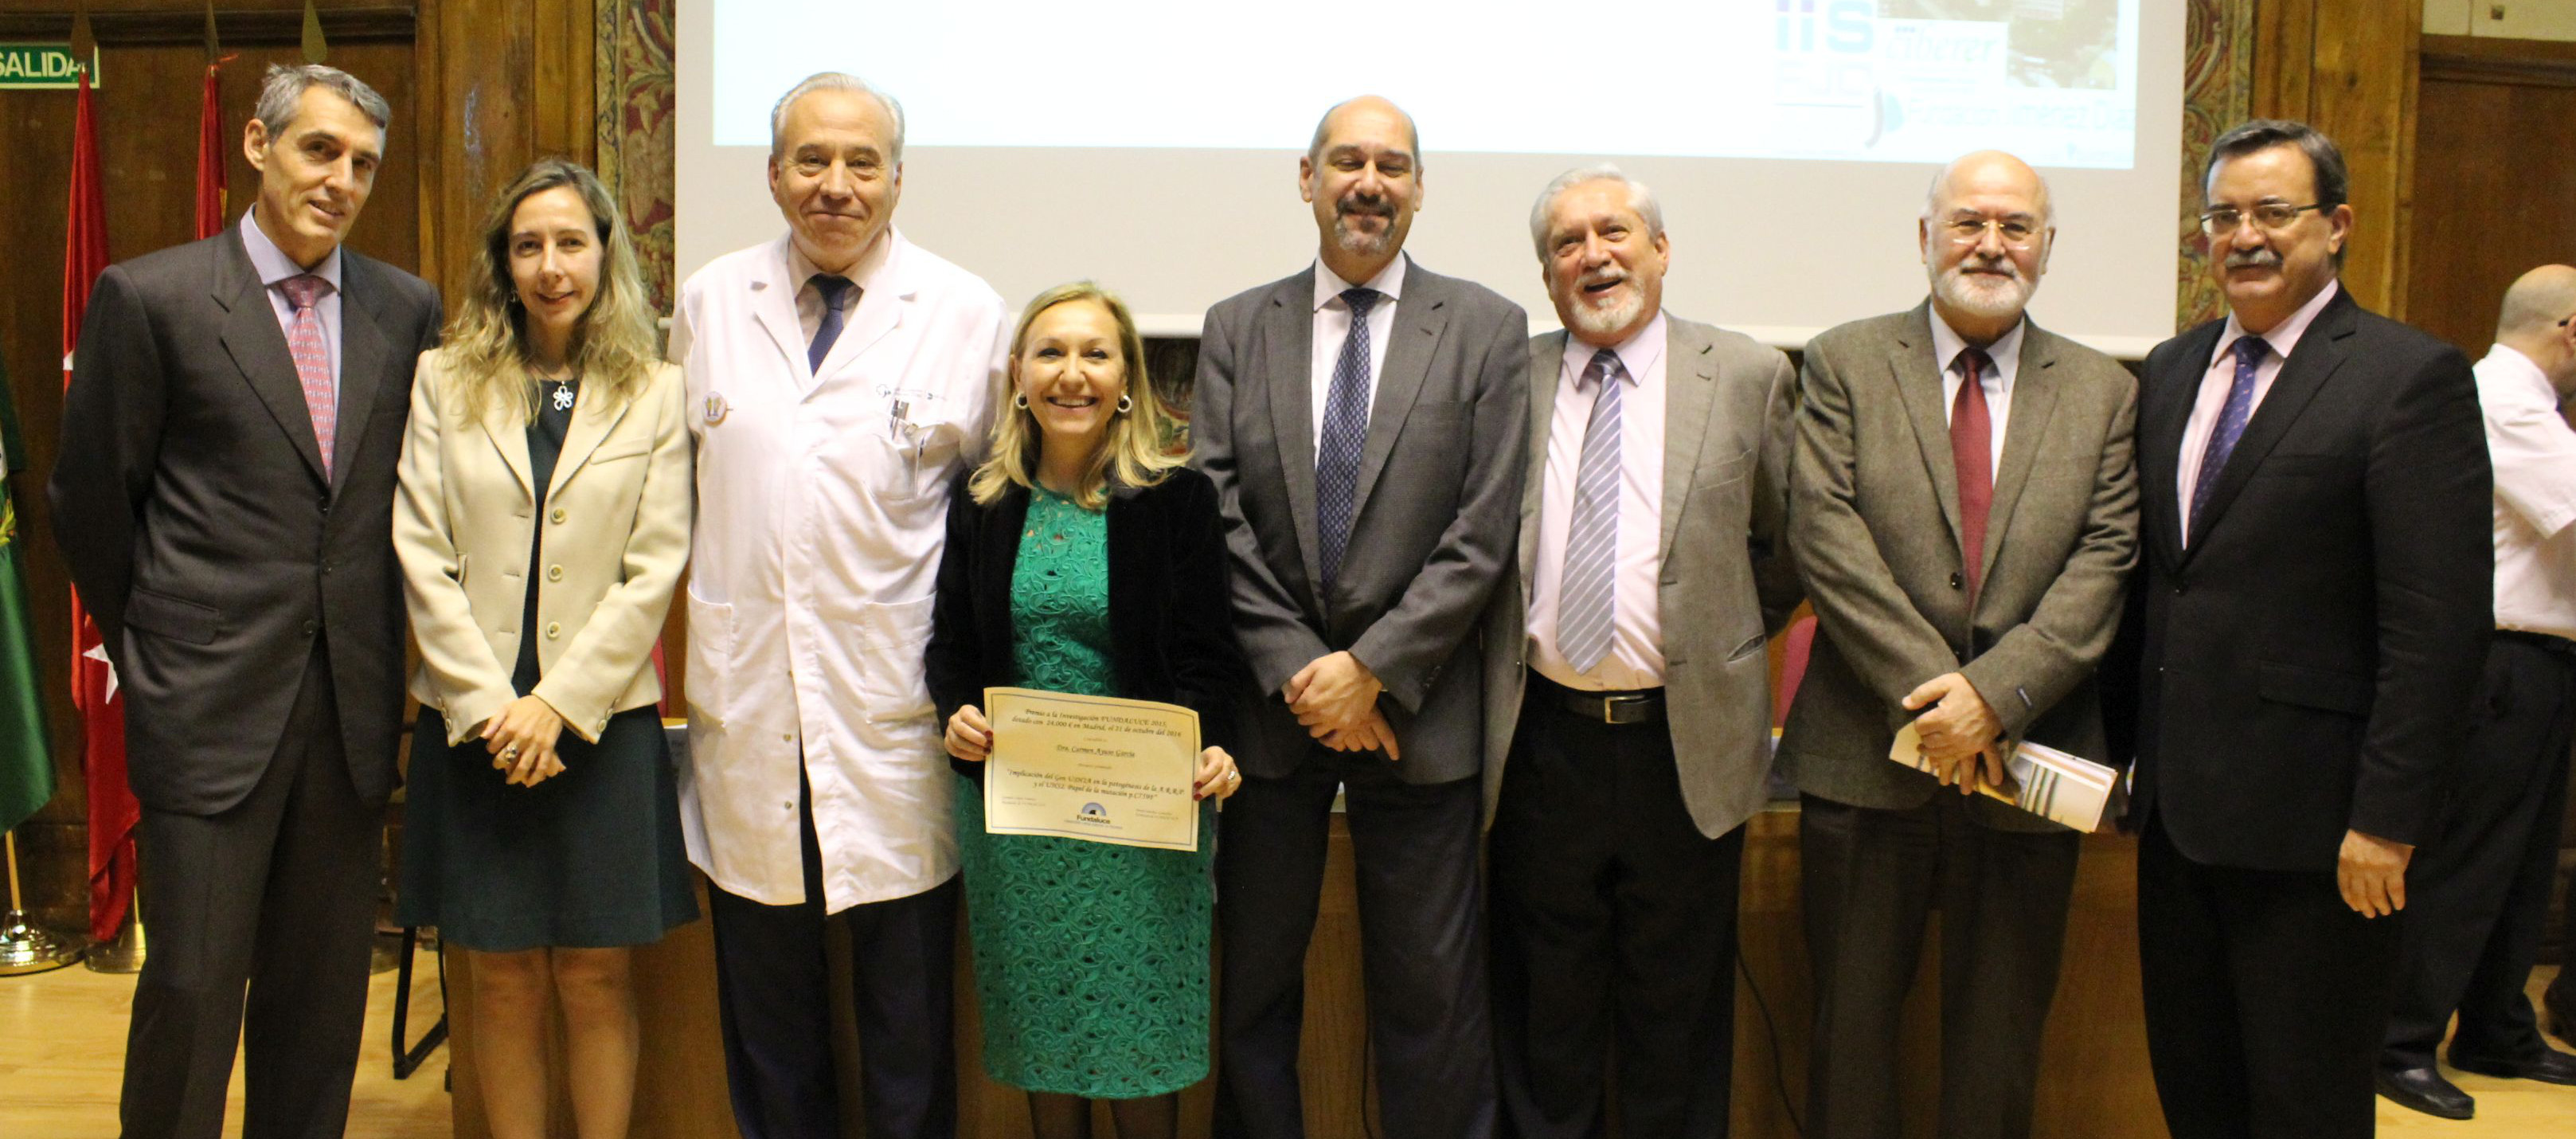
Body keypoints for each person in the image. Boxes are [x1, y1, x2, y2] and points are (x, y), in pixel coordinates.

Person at [46, 64, 443, 1139]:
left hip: (349, 711)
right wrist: (163, 639)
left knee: (320, 1006)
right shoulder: (153, 296)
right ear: (260, 148)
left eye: (363, 163)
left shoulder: (407, 310)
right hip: (208, 705)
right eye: (321, 150)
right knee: (191, 992)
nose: (342, 180)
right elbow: (89, 501)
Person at [2115, 119, 2490, 1139]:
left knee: (2304, 1107)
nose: (2244, 236)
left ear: (2337, 226)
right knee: (2197, 1094)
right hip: (2179, 827)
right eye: (2222, 215)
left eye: (2273, 213)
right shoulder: (2169, 371)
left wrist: (2388, 821)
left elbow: (2437, 627)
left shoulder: (2406, 377)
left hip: (2321, 840)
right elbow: (2160, 585)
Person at [668, 71, 1008, 1139]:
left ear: (897, 180)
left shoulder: (965, 311)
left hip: (893, 715)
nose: (835, 185)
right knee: (768, 1018)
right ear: (772, 174)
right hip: (749, 705)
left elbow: (995, 523)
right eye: (810, 161)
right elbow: (674, 497)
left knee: (906, 1020)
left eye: (861, 163)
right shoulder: (710, 301)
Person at [1780, 150, 2139, 1139]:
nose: (1991, 244)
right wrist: (1941, 695)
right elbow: (1825, 536)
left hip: (2028, 762)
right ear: (1925, 236)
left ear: (2048, 247)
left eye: (2015, 226)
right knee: (1847, 1041)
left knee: (1998, 1048)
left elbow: (2105, 561)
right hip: (1863, 759)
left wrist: (1996, 695)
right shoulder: (1845, 360)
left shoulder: (2105, 390)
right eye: (1969, 221)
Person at [1190, 95, 1527, 1139]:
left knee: (1430, 998)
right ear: (1306, 177)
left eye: (1391, 165)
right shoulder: (1237, 325)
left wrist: (1372, 668)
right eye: (1347, 162)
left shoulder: (1484, 327)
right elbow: (1214, 509)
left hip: (1418, 716)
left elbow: (1484, 526)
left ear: (1418, 188)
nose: (1367, 183)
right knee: (1250, 988)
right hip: (1273, 721)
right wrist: (1307, 671)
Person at [1477, 165, 1799, 1139]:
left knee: (1678, 1007)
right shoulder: (1508, 376)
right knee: (1545, 1006)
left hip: (1683, 740)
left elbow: (1787, 548)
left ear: (1660, 250)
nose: (1593, 256)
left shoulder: (1746, 374)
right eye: (1566, 243)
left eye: (1613, 232)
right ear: (1545, 274)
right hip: (1540, 738)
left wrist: (1718, 640)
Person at [390, 157, 696, 1139]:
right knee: (503, 971)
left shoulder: (655, 390)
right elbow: (419, 548)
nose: (551, 265)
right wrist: (490, 705)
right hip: (472, 721)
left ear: (607, 255)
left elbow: (655, 566)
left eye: (571, 242)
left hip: (601, 722)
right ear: (502, 263)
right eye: (528, 245)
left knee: (597, 969)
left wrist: (559, 703)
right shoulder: (444, 379)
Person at [927, 281, 1250, 1139]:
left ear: (1128, 380)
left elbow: (1210, 658)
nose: (1073, 374)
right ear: (1019, 379)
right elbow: (951, 644)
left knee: (1138, 1047)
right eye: (1051, 352)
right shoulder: (983, 501)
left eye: (1096, 353)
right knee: (1048, 1041)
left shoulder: (1176, 502)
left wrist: (1211, 745)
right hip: (1021, 822)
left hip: (1143, 824)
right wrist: (955, 712)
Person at [2375, 263, 2576, 1118]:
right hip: (2499, 659)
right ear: (2570, 328)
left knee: (2523, 865)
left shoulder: (2529, 402)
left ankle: (2497, 1026)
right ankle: (2397, 1039)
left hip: (2544, 660)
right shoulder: (2500, 397)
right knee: (2466, 863)